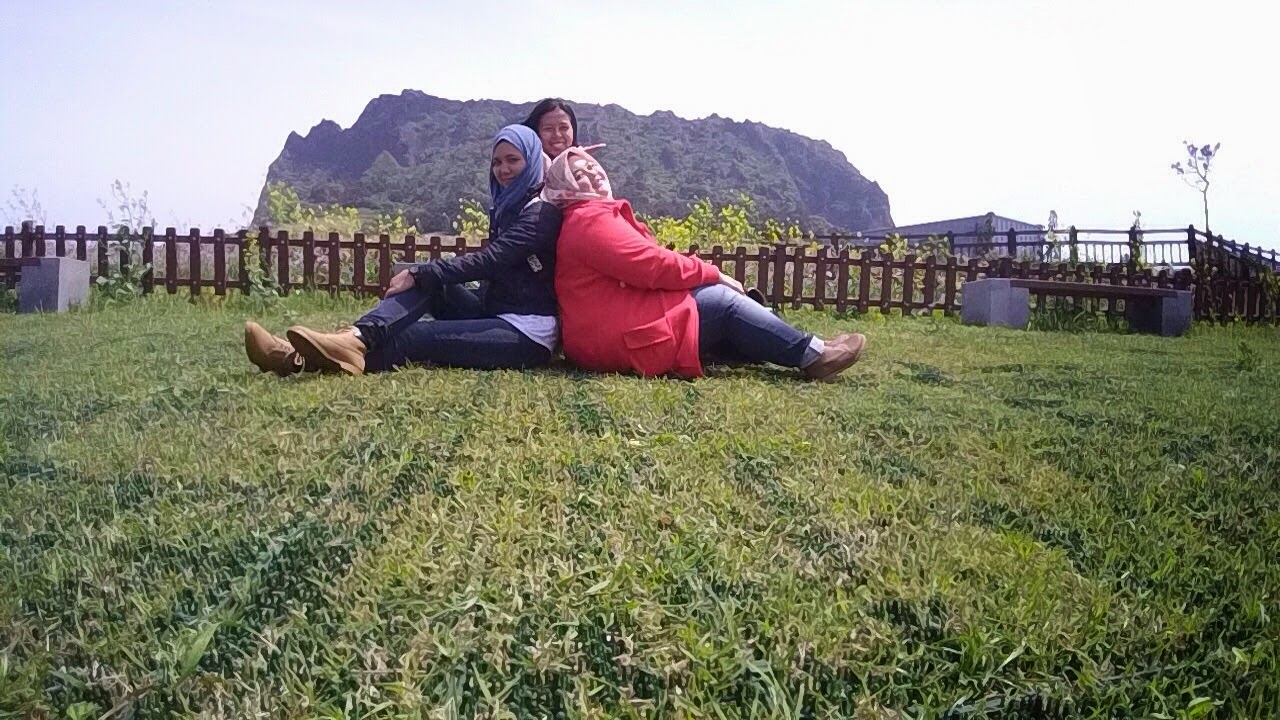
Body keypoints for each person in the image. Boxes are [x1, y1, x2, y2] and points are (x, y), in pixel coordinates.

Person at [243, 124, 562, 376]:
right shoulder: (508, 208)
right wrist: (422, 274)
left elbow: (491, 261)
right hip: (492, 312)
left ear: (532, 161)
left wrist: (423, 271)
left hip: (525, 334)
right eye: (497, 162)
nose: (503, 169)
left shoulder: (540, 215)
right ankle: (355, 337)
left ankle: (293, 358)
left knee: (412, 336)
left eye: (513, 160)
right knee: (423, 281)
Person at [545, 147, 866, 381]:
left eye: (592, 166)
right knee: (722, 302)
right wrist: (714, 274)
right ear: (565, 188)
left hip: (610, 332)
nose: (592, 173)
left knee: (716, 302)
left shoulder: (590, 217)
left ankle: (798, 341)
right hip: (617, 338)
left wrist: (704, 275)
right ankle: (813, 355)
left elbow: (648, 262)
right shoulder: (589, 220)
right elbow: (651, 265)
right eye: (579, 174)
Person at [522, 98, 578, 170]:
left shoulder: (585, 167)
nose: (557, 134)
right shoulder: (525, 171)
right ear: (536, 132)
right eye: (548, 129)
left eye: (563, 128)